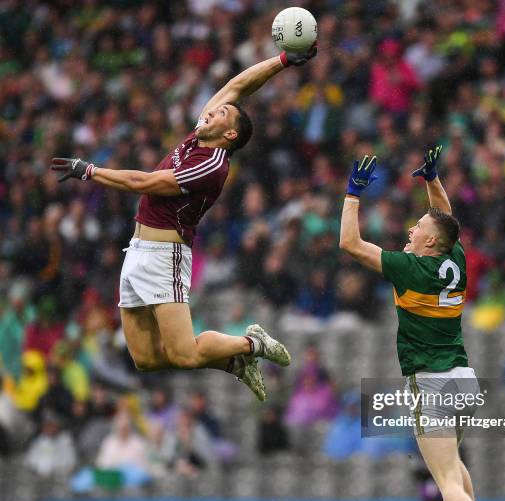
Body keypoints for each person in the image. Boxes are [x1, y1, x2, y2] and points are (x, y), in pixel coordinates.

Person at [51, 46, 317, 401]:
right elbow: (238, 86)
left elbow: (142, 183)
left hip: (166, 254)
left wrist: (90, 171)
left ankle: (252, 343)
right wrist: (282, 61)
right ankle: (233, 364)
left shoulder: (212, 165)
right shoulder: (202, 133)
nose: (211, 110)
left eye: (221, 114)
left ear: (230, 135)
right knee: (145, 360)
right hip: (137, 249)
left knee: (184, 352)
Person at [339, 147, 504, 501]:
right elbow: (447, 221)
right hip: (463, 383)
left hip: (429, 383)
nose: (412, 229)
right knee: (455, 466)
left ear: (429, 242)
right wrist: (433, 181)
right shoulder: (456, 260)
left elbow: (350, 245)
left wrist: (353, 194)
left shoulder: (410, 268)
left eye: (419, 228)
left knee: (446, 478)